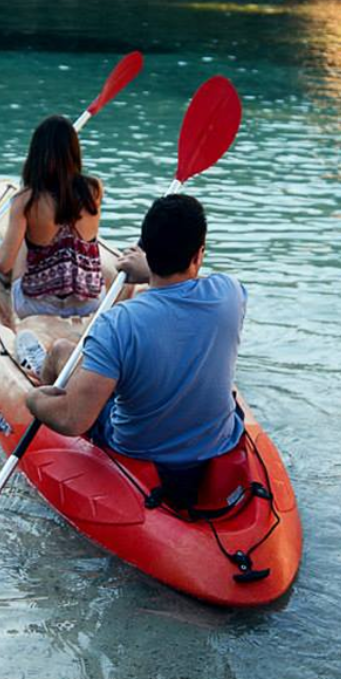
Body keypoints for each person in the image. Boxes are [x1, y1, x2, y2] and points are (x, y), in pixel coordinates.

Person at [26, 194, 246, 491]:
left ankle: (43, 375)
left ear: (148, 253)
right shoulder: (230, 295)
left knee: (63, 350)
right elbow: (195, 280)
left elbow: (73, 421)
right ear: (198, 255)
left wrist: (32, 400)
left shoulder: (117, 324)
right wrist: (152, 271)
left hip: (138, 447)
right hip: (215, 443)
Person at [0, 115, 104, 319]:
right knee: (68, 241)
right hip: (88, 302)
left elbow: (4, 264)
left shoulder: (25, 200)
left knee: (24, 243)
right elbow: (65, 202)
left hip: (37, 305)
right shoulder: (95, 189)